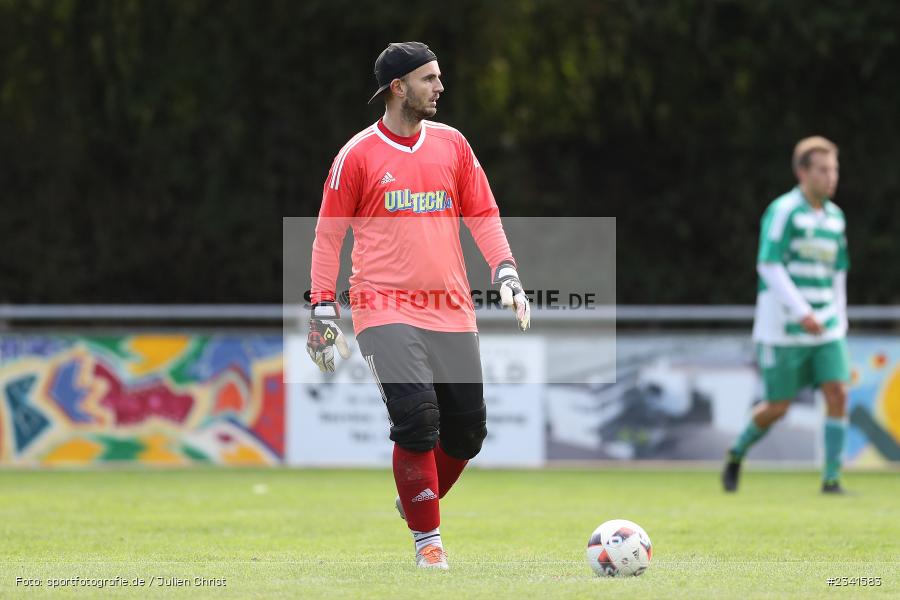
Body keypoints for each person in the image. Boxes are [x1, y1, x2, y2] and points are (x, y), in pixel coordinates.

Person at [305, 42, 530, 570]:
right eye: (429, 78)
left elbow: (484, 211)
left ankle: (415, 501)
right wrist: (321, 310)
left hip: (451, 308)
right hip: (382, 305)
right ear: (398, 87)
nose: (440, 86)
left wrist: (507, 272)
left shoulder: (453, 145)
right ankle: (428, 542)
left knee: (467, 433)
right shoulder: (357, 155)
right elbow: (326, 237)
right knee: (416, 422)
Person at [722, 136, 851, 494]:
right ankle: (736, 452)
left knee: (838, 392)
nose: (831, 177)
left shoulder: (836, 219)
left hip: (826, 327)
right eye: (823, 170)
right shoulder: (783, 211)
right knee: (778, 407)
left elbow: (838, 272)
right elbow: (769, 264)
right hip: (783, 327)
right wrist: (801, 311)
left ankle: (831, 479)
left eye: (834, 170)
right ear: (802, 172)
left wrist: (838, 317)